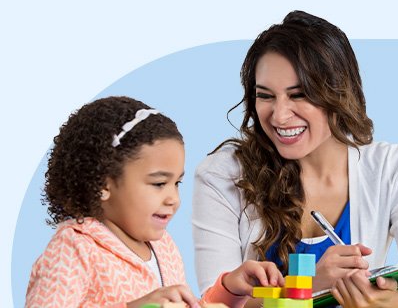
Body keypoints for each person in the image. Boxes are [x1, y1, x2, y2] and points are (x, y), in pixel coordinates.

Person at [192, 11, 398, 307]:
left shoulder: (392, 169)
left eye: (299, 94)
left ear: (338, 93)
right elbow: (215, 302)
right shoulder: (222, 175)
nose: (279, 115)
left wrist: (380, 304)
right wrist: (311, 284)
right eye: (265, 95)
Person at [26, 96, 284, 308]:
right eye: (159, 184)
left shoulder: (164, 247)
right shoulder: (73, 250)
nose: (173, 199)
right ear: (104, 184)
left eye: (177, 183)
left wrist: (230, 289)